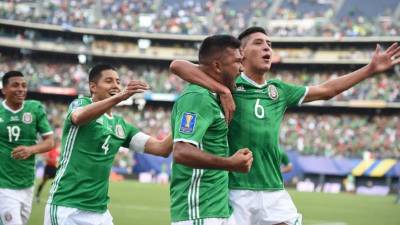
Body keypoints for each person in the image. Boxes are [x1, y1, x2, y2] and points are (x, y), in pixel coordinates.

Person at [170, 27, 400, 225]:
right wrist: (222, 90)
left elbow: (327, 90)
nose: (267, 48)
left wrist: (369, 70)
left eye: (270, 44)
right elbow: (179, 66)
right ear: (242, 53)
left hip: (273, 189)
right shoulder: (228, 82)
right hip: (234, 189)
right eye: (258, 43)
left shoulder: (278, 91)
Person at [45, 64, 173, 225]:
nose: (116, 85)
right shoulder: (80, 104)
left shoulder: (122, 127)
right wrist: (120, 97)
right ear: (93, 86)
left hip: (99, 212)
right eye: (109, 81)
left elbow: (161, 148)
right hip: (68, 207)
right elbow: (78, 117)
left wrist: (185, 122)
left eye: (118, 82)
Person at [170, 35, 253, 225]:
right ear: (217, 66)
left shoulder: (214, 95)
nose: (242, 68)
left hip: (217, 209)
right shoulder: (197, 98)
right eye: (237, 62)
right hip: (199, 212)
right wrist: (230, 163)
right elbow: (181, 152)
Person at [0, 71, 54, 225]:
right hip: (4, 186)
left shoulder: (34, 109)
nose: (21, 89)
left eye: (24, 85)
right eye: (15, 85)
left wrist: (31, 149)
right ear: (4, 89)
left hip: (27, 185)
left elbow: (50, 142)